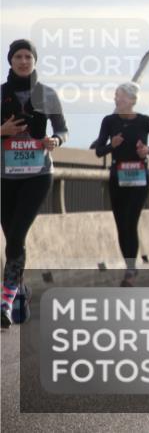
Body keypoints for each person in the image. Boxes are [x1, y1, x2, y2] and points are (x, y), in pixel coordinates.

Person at [1, 39, 68, 328]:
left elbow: (62, 129)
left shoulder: (46, 94)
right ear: (10, 60)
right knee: (13, 241)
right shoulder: (1, 93)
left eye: (28, 56)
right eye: (18, 56)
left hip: (38, 175)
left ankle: (4, 302)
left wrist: (56, 140)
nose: (24, 60)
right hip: (5, 177)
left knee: (16, 237)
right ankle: (20, 291)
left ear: (35, 61)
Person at [92, 82, 149, 286]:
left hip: (139, 178)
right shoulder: (109, 121)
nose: (117, 99)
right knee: (121, 225)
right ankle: (129, 266)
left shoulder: (144, 121)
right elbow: (98, 150)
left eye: (121, 96)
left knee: (130, 221)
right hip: (117, 177)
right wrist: (111, 145)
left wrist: (148, 150)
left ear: (133, 100)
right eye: (116, 96)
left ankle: (131, 270)